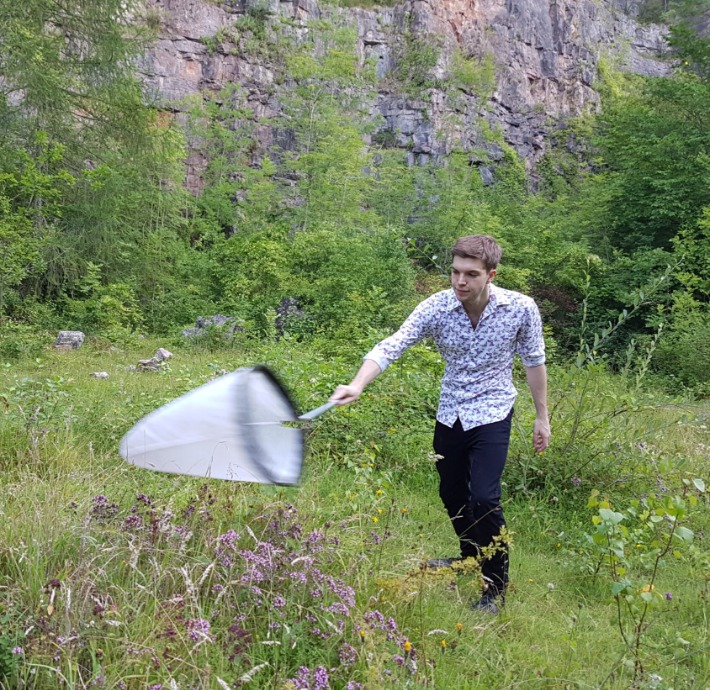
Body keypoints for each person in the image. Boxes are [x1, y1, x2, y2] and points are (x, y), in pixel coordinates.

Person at [330, 235, 550, 614]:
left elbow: (534, 361)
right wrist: (357, 383)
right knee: (451, 493)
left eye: (470, 274)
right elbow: (391, 345)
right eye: (454, 272)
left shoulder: (520, 308)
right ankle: (468, 558)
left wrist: (542, 416)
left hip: (494, 411)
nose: (459, 281)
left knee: (483, 497)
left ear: (490, 275)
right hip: (451, 411)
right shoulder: (437, 307)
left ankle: (495, 586)